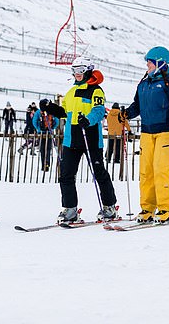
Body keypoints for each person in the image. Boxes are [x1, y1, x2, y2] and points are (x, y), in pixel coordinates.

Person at [41, 57, 118, 224]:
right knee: (66, 174)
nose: (77, 73)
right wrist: (49, 107)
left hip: (89, 137)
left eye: (80, 69)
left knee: (99, 173)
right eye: (74, 70)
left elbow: (99, 111)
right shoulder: (71, 92)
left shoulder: (96, 90)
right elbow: (64, 112)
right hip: (72, 139)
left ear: (88, 70)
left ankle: (109, 207)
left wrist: (88, 120)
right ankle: (70, 209)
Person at [120, 46, 169, 223]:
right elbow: (137, 105)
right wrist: (127, 113)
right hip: (147, 132)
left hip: (166, 132)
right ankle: (147, 208)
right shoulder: (143, 83)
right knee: (146, 172)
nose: (147, 64)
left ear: (159, 62)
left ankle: (167, 208)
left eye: (150, 61)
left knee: (160, 170)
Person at [34, 100, 60, 171]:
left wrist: (38, 129)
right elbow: (57, 121)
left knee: (42, 149)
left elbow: (34, 121)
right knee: (48, 148)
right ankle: (47, 162)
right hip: (49, 132)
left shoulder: (38, 112)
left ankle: (43, 165)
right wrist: (52, 128)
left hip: (41, 133)